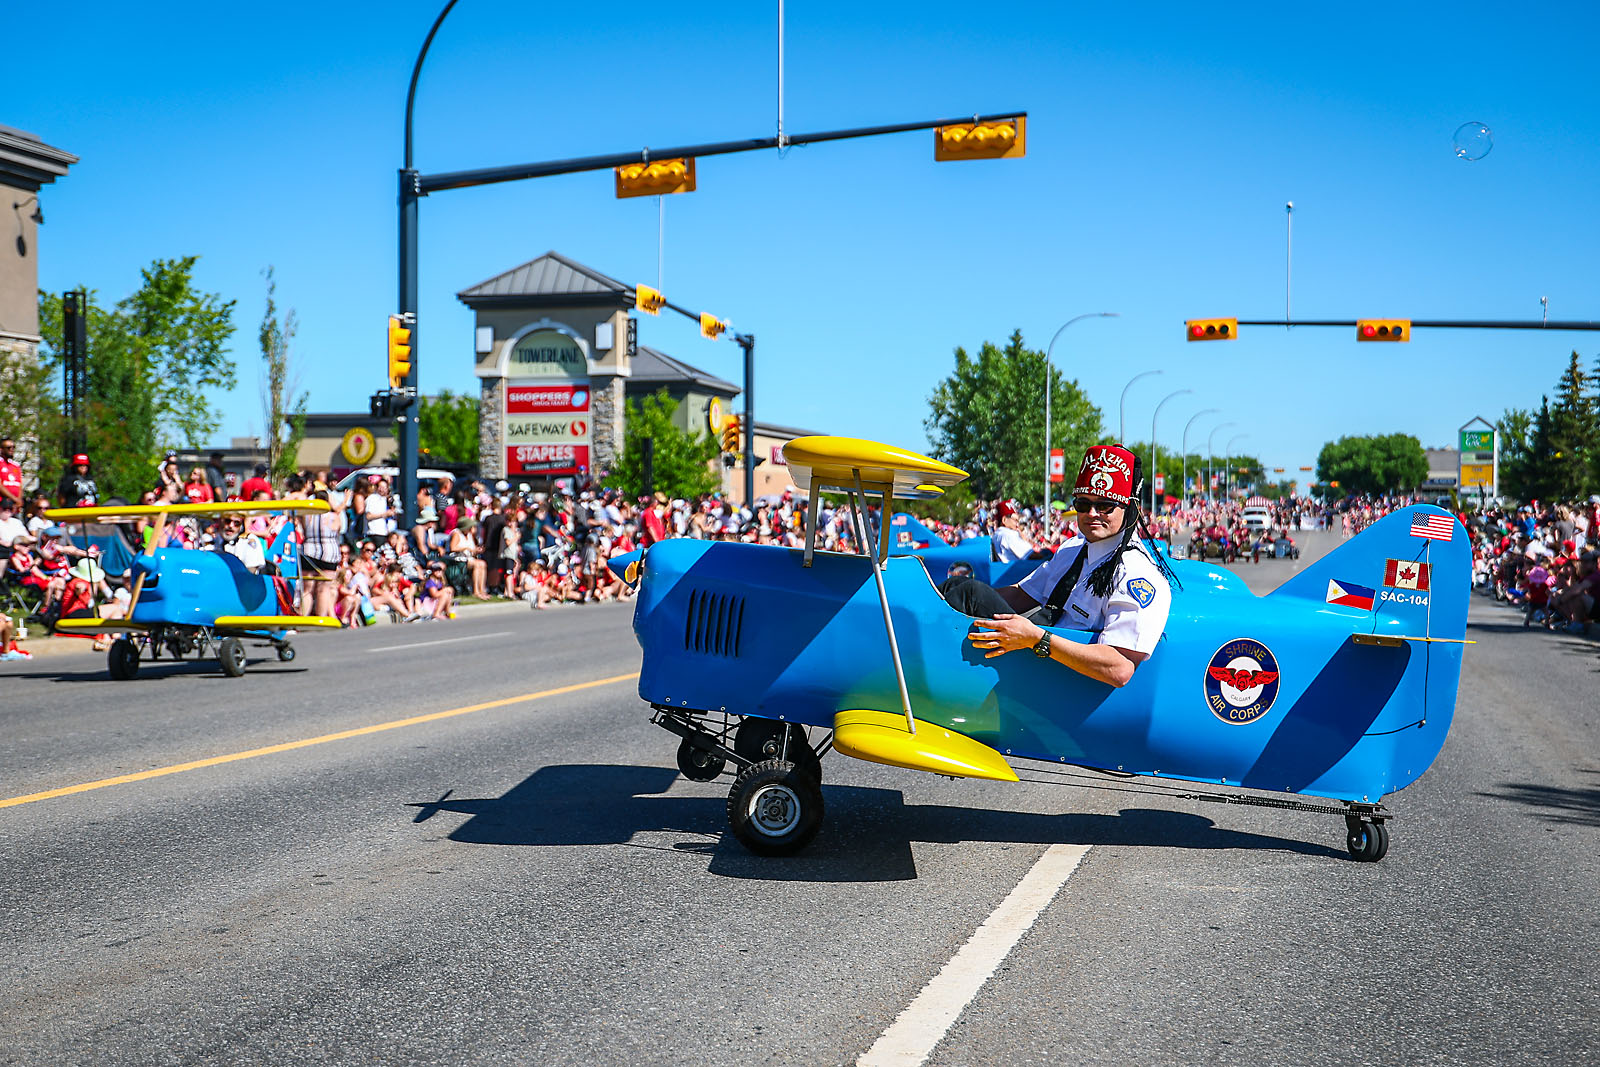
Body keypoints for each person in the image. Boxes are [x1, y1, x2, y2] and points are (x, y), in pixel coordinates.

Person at [959, 444, 1175, 689]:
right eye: (1083, 504)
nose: (1092, 513)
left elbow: (1120, 668)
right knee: (964, 589)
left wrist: (1036, 639)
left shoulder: (1137, 573)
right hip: (1035, 662)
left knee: (969, 593)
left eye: (1105, 505)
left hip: (1058, 680)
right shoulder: (1073, 548)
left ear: (1130, 510)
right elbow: (1022, 594)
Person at [0, 437, 23, 512]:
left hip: (14, 505)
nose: (11, 449)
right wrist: (14, 498)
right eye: (8, 447)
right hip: (2, 504)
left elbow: (19, 485)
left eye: (13, 447)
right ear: (1, 449)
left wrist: (18, 500)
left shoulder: (16, 465)